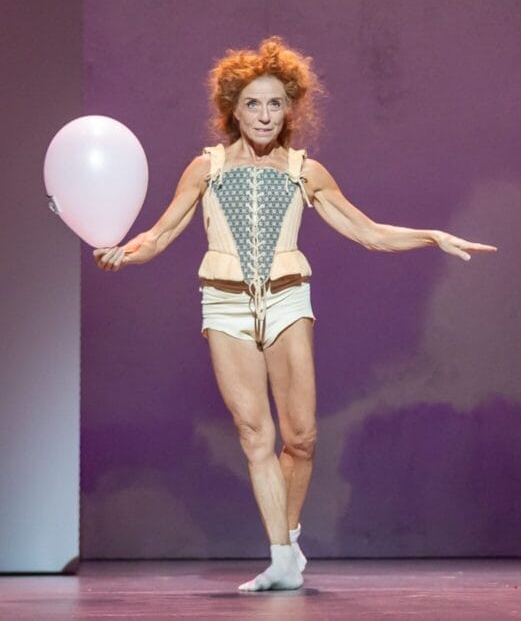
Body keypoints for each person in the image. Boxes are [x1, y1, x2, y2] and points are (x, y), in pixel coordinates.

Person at [94, 37, 496, 592]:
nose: (264, 115)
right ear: (232, 109)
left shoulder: (306, 171)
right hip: (226, 303)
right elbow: (159, 234)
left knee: (301, 438)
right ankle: (282, 557)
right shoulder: (205, 168)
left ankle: (288, 540)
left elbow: (369, 233)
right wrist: (125, 252)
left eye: (275, 104)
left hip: (286, 300)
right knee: (254, 434)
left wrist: (432, 236)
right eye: (253, 104)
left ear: (290, 110)